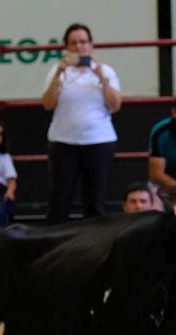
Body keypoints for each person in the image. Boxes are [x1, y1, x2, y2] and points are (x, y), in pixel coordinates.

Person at [41, 23, 122, 223]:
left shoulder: (107, 72)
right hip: (63, 143)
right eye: (74, 43)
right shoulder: (56, 72)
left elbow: (115, 105)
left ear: (91, 45)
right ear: (66, 47)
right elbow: (47, 104)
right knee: (59, 201)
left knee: (95, 202)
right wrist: (59, 74)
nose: (79, 47)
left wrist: (101, 77)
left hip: (99, 142)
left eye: (84, 42)